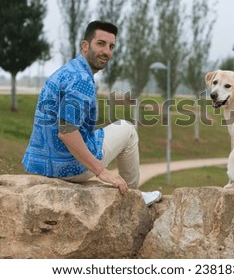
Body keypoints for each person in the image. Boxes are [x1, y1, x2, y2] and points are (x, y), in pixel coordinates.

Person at [22, 20, 161, 206]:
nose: (107, 52)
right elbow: (66, 131)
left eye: (111, 46)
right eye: (101, 44)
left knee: (100, 131)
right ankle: (133, 197)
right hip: (67, 167)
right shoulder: (82, 80)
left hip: (37, 164)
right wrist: (101, 171)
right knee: (127, 129)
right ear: (85, 45)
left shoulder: (67, 71)